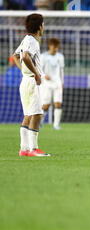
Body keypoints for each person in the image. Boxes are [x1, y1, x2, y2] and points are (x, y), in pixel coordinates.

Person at [13, 14, 51, 157]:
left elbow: (15, 55)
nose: (44, 27)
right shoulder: (32, 41)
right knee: (37, 114)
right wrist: (35, 73)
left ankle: (24, 149)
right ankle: (33, 149)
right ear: (39, 26)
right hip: (32, 82)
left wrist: (25, 71)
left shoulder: (26, 39)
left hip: (26, 80)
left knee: (28, 114)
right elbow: (24, 56)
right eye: (43, 24)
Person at [41, 38, 65, 130]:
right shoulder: (43, 56)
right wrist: (44, 75)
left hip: (57, 83)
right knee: (46, 105)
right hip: (47, 84)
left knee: (58, 104)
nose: (55, 48)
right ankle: (40, 122)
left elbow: (62, 71)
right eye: (53, 46)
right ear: (49, 46)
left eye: (57, 47)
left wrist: (62, 82)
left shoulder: (60, 57)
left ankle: (56, 125)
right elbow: (39, 69)